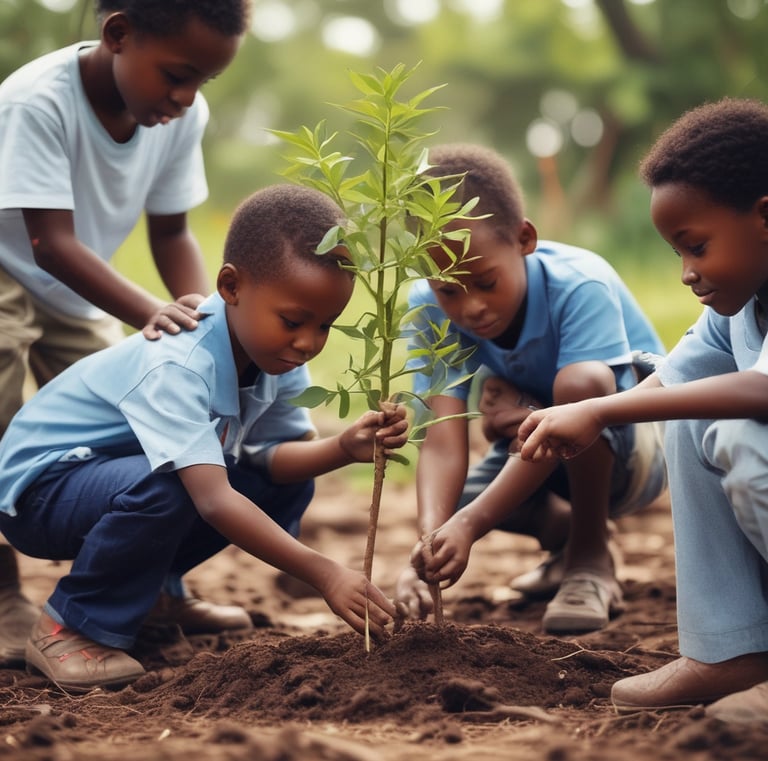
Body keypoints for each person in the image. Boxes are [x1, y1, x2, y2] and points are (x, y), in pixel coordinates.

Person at [0, 184, 406, 693]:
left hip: (115, 479)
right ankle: (71, 626)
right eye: (293, 321)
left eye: (326, 325)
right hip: (41, 491)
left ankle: (153, 596)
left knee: (279, 483)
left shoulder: (275, 357)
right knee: (180, 482)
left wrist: (343, 448)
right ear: (231, 287)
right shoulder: (180, 362)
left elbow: (269, 461)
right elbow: (212, 501)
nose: (308, 343)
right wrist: (325, 573)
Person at [0, 0, 252, 664]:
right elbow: (47, 242)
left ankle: (153, 584)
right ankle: (0, 590)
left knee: (137, 417)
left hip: (72, 286)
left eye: (202, 81)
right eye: (175, 74)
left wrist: (196, 310)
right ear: (117, 35)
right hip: (11, 264)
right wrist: (148, 310)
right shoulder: (37, 101)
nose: (186, 96)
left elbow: (170, 231)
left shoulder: (182, 115)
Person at [517, 97, 768, 722]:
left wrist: (600, 415)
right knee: (693, 416)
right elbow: (675, 379)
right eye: (677, 254)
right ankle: (732, 647)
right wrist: (593, 409)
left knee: (742, 438)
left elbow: (761, 392)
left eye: (697, 246)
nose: (687, 272)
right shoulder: (738, 310)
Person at [399, 143, 667, 634]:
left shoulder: (580, 284)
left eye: (484, 281)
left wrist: (472, 523)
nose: (471, 308)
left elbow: (590, 402)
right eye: (449, 290)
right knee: (451, 504)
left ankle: (590, 562)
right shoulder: (428, 309)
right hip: (536, 451)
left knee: (582, 386)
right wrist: (431, 540)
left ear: (524, 238)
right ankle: (568, 538)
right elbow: (440, 442)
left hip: (635, 451)